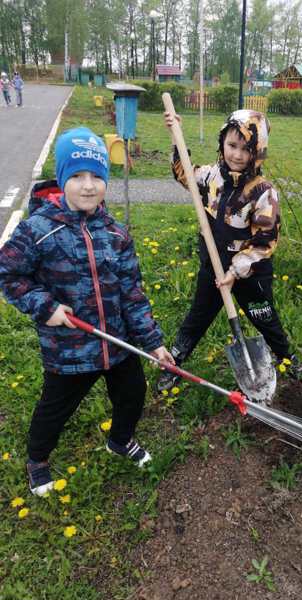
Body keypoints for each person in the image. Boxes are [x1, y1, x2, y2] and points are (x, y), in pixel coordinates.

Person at [0, 126, 174, 496]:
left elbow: (132, 293)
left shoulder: (115, 233)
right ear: (63, 178)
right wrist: (45, 307)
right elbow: (9, 274)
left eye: (97, 175)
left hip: (119, 341)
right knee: (56, 408)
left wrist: (153, 342)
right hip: (69, 347)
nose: (88, 185)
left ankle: (120, 439)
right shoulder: (38, 230)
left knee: (133, 394)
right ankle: (38, 460)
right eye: (77, 176)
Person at [157, 109, 302, 392]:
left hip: (249, 273)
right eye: (232, 146)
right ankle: (175, 361)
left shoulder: (263, 192)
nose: (237, 155)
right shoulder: (212, 176)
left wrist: (235, 271)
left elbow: (265, 239)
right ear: (222, 144)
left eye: (246, 149)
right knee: (198, 317)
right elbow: (185, 176)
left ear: (259, 152)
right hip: (213, 268)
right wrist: (176, 138)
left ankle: (286, 357)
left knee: (264, 316)